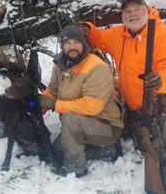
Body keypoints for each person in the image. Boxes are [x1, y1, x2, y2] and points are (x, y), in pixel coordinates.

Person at [81, 0, 166, 193]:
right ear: (122, 16)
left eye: (137, 10)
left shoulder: (163, 33)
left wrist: (161, 81)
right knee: (146, 143)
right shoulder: (118, 35)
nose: (132, 14)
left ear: (147, 11)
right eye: (127, 11)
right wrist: (86, 28)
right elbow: (99, 37)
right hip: (140, 104)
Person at [38, 25, 123, 177]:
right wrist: (40, 107)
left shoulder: (97, 68)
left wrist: (54, 105)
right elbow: (52, 91)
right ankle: (97, 149)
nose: (72, 47)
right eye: (67, 43)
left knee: (70, 120)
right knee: (53, 153)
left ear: (84, 44)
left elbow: (92, 107)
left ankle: (76, 170)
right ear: (62, 45)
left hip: (107, 127)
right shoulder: (60, 65)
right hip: (81, 124)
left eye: (76, 42)